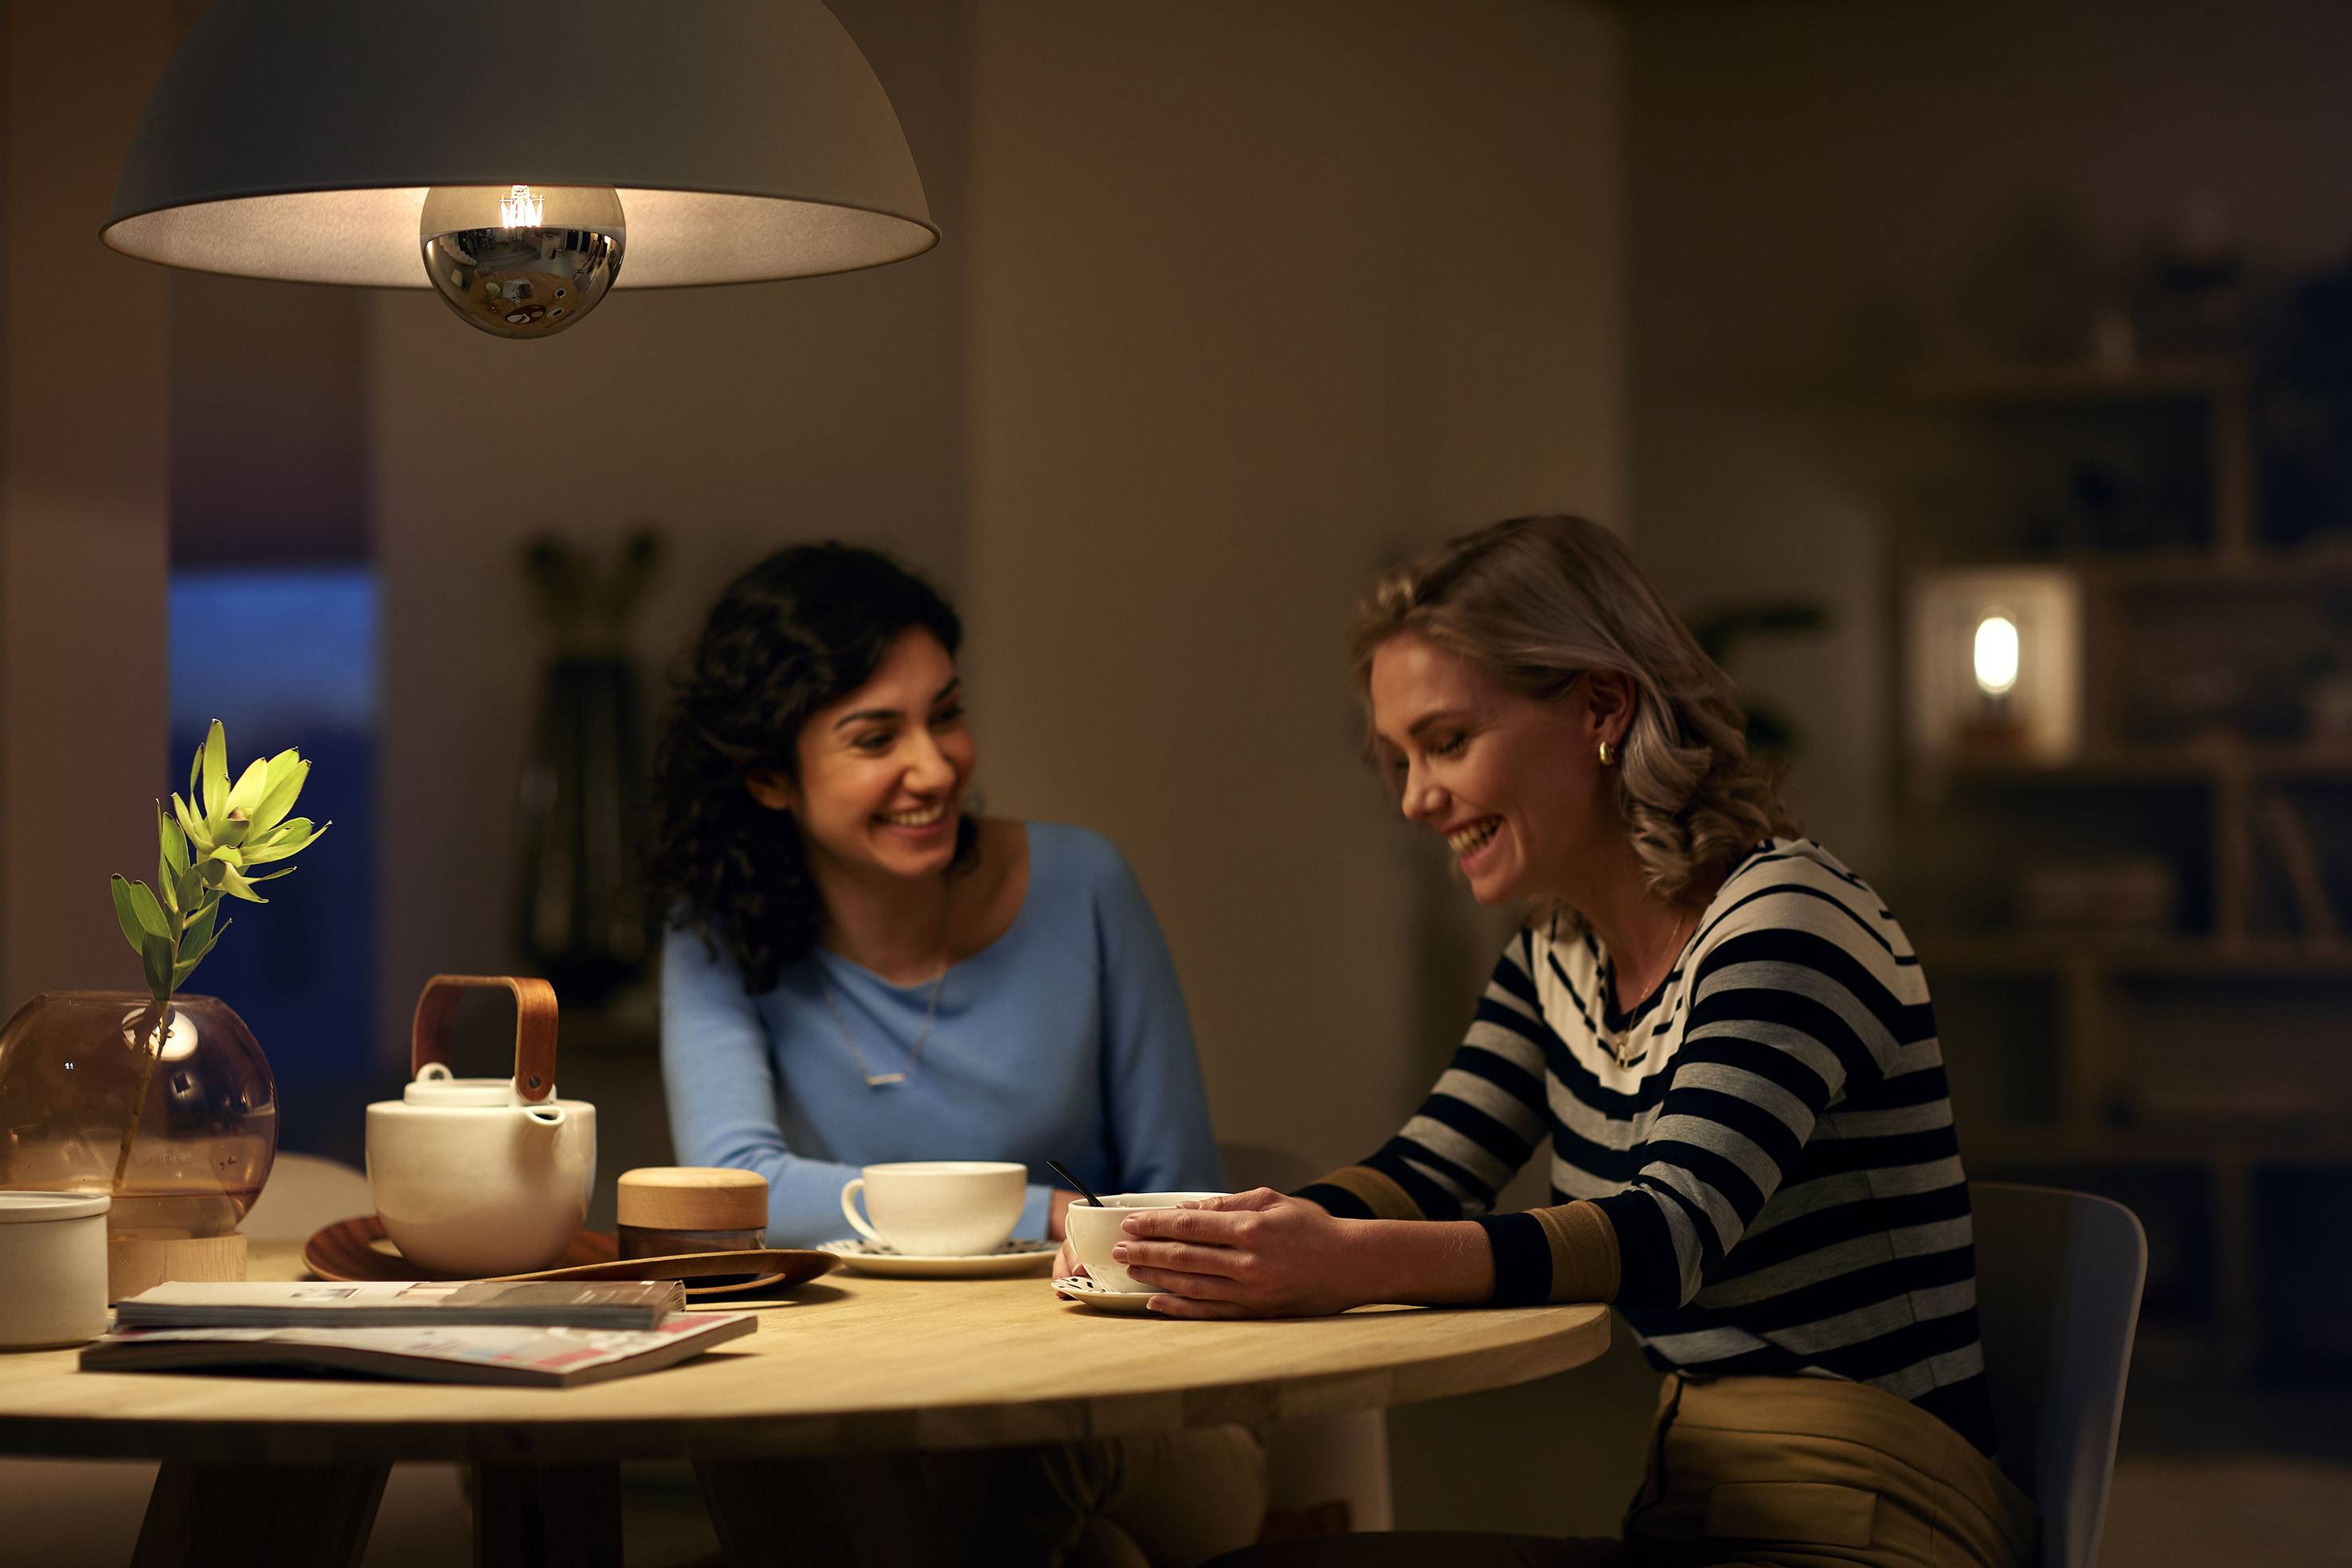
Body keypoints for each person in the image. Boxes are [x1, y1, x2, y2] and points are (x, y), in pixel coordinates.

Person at [1111, 517, 2034, 1568]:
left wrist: (1335, 1263)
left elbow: (1664, 1236)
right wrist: (1203, 1239)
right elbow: (1429, 1171)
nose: (1415, 799)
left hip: (1877, 1519)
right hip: (1705, 1504)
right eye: (1399, 758)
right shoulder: (1557, 955)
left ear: (1602, 706)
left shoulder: (1786, 919)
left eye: (1448, 741)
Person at [650, 542, 1262, 1566]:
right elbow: (732, 1188)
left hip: (1136, 1396)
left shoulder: (1083, 884)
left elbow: (1178, 1199)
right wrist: (1045, 1214)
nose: (932, 767)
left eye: (945, 714)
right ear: (768, 778)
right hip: (874, 1406)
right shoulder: (714, 931)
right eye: (873, 736)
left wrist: (1083, 1243)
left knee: (1019, 1461)